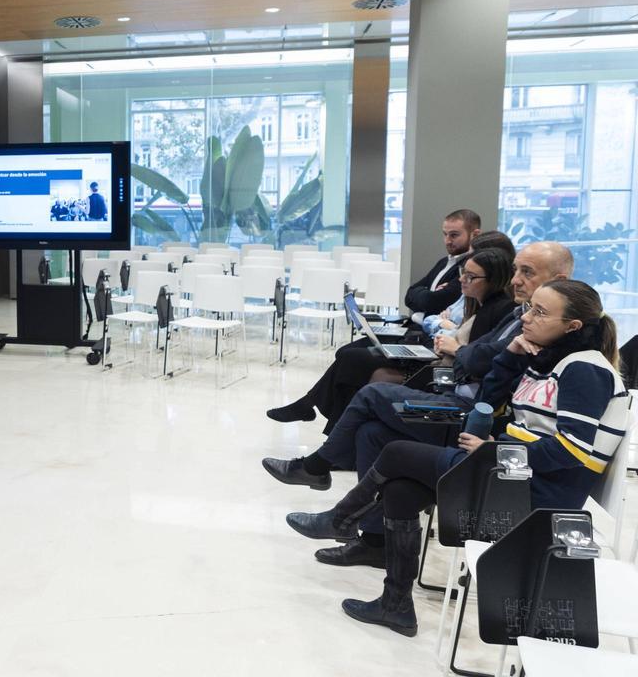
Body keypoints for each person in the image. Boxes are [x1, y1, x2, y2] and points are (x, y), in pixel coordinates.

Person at [283, 280, 631, 637]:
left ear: (573, 327)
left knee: (396, 452)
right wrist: (510, 355)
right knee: (400, 491)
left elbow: (572, 449)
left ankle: (340, 520)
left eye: (540, 312)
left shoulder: (584, 370)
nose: (526, 317)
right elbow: (491, 406)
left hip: (535, 494)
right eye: (530, 308)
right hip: (509, 476)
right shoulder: (546, 358)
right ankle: (396, 605)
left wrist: (494, 450)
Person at [262, 241, 574, 568]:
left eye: (527, 272)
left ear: (559, 278)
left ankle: (317, 467)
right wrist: (470, 352)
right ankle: (374, 542)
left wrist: (470, 352)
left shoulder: (550, 331)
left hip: (474, 422)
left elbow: (478, 360)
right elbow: (466, 344)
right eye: (515, 271)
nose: (516, 280)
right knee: (370, 430)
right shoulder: (518, 314)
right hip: (461, 399)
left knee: (373, 392)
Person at [267, 229, 513, 427]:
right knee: (350, 353)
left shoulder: (491, 305)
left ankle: (322, 416)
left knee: (354, 359)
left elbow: (434, 307)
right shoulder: (456, 275)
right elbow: (415, 296)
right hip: (430, 338)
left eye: (470, 270)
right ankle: (319, 413)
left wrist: (440, 324)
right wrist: (438, 320)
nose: (463, 274)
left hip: (436, 355)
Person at [405, 208, 480, 321]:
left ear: (475, 234)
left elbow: (434, 302)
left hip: (438, 334)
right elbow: (409, 295)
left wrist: (426, 295)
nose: (447, 241)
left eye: (454, 235)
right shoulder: (443, 262)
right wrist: (427, 295)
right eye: (445, 234)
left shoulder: (470, 268)